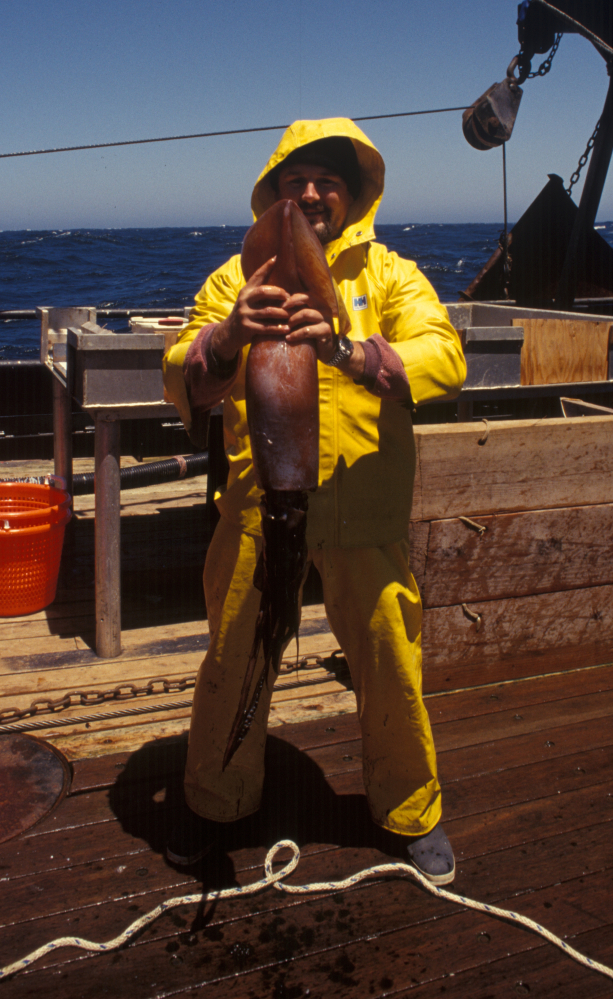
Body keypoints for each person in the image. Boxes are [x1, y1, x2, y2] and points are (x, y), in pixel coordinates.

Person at [163, 117, 467, 881]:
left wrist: (346, 347)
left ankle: (409, 810)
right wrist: (229, 337)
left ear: (355, 193)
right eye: (295, 180)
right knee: (234, 658)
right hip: (257, 513)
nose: (310, 193)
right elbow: (183, 378)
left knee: (391, 660)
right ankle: (215, 803)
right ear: (274, 193)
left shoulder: (390, 276)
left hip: (364, 512)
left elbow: (445, 357)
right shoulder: (236, 280)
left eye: (327, 179)